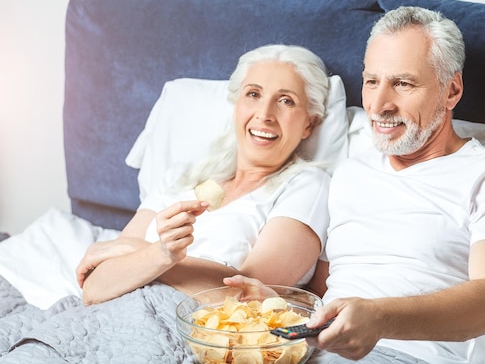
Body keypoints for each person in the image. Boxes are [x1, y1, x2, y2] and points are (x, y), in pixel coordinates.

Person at [227, 6, 485, 364]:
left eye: (403, 84)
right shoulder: (350, 172)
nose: (378, 105)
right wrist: (279, 306)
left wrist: (379, 318)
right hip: (318, 362)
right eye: (372, 81)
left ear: (451, 90)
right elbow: (325, 291)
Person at [76, 44, 332, 305]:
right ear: (236, 107)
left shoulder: (308, 186)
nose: (264, 115)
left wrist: (147, 253)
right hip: (110, 316)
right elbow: (95, 288)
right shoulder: (180, 177)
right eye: (253, 94)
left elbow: (247, 295)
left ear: (308, 124)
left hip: (193, 329)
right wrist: (157, 255)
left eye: (286, 101)